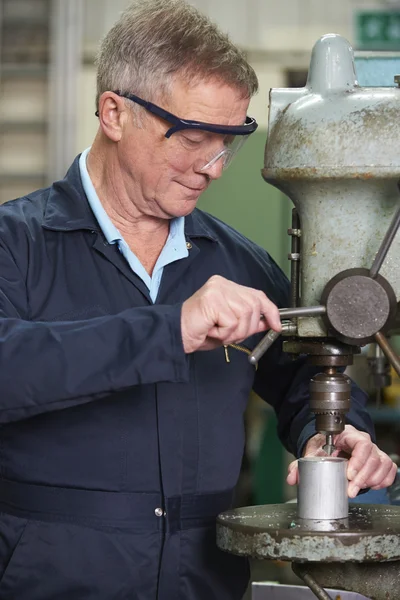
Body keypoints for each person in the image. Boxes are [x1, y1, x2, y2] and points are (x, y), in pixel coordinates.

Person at [0, 1, 395, 599]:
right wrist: (169, 329)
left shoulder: (239, 263)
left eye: (229, 142)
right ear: (114, 112)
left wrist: (333, 434)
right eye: (191, 138)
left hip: (202, 580)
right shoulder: (17, 245)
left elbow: (302, 377)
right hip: (53, 578)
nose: (212, 168)